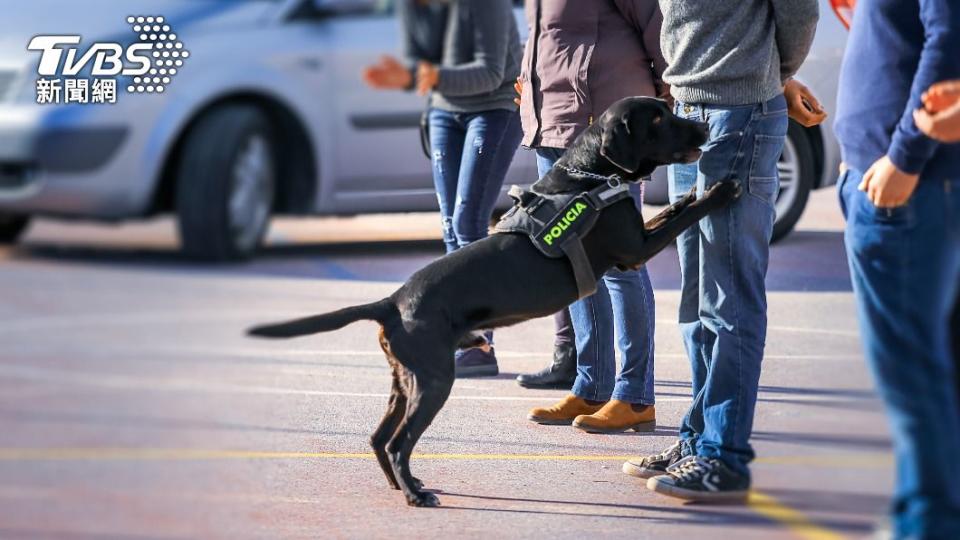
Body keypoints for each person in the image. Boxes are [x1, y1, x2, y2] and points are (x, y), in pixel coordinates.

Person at [622, 0, 824, 502]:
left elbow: (799, 14)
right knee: (696, 299)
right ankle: (697, 438)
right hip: (688, 112)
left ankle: (724, 456)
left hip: (741, 114)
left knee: (729, 296)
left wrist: (770, 76)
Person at [832, 0, 960, 535]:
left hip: (905, 186)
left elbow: (948, 38)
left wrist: (904, 155)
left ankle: (927, 523)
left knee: (911, 373)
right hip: (884, 178)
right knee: (925, 367)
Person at [515, 0, 667, 434]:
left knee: (620, 263)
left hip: (605, 137)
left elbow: (659, 30)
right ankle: (592, 386)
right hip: (553, 127)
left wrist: (660, 105)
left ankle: (635, 396)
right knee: (576, 262)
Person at [363, 0, 524, 378]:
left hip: (494, 107)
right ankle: (464, 337)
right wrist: (412, 76)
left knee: (468, 222)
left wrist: (427, 75)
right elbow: (418, 66)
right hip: (443, 110)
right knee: (451, 224)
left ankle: (480, 345)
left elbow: (488, 73)